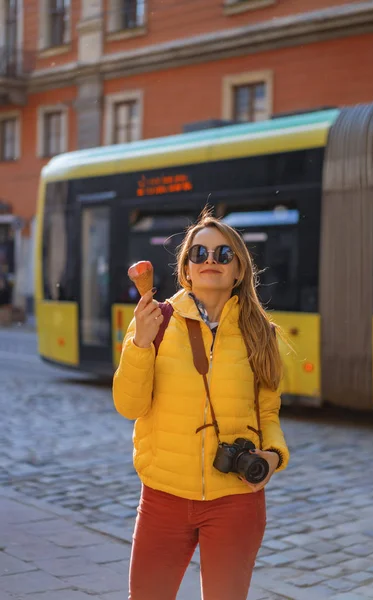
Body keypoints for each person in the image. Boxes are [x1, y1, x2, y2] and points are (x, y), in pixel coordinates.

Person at [113, 211, 290, 600]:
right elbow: (129, 405)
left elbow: (268, 413)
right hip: (163, 497)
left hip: (236, 501)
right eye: (199, 253)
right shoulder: (153, 323)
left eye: (224, 253)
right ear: (186, 269)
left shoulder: (262, 334)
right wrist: (140, 344)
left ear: (239, 270)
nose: (211, 259)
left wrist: (273, 456)